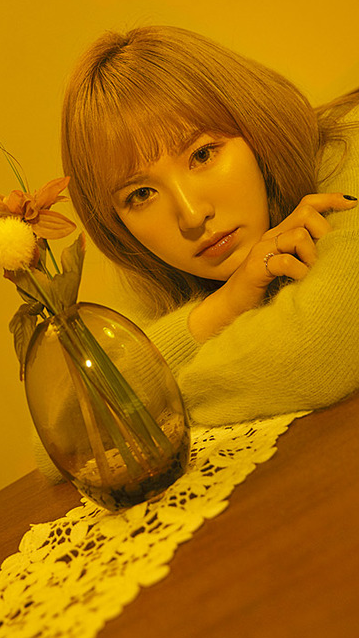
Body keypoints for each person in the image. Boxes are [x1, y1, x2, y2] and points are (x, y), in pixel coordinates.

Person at [61, 25, 359, 426]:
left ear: (252, 122)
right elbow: (60, 430)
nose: (191, 215)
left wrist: (140, 408)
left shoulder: (349, 148)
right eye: (142, 194)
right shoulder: (162, 280)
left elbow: (316, 352)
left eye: (202, 155)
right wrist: (223, 306)